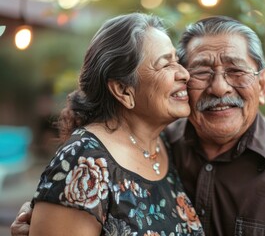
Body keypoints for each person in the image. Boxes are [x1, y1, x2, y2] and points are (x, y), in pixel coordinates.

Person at [11, 15, 265, 236]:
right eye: (202, 71)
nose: (220, 87)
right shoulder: (150, 149)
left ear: (263, 85)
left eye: (236, 71)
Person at [13, 12, 204, 236]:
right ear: (123, 90)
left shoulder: (165, 143)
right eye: (165, 65)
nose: (184, 74)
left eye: (177, 61)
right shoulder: (84, 162)